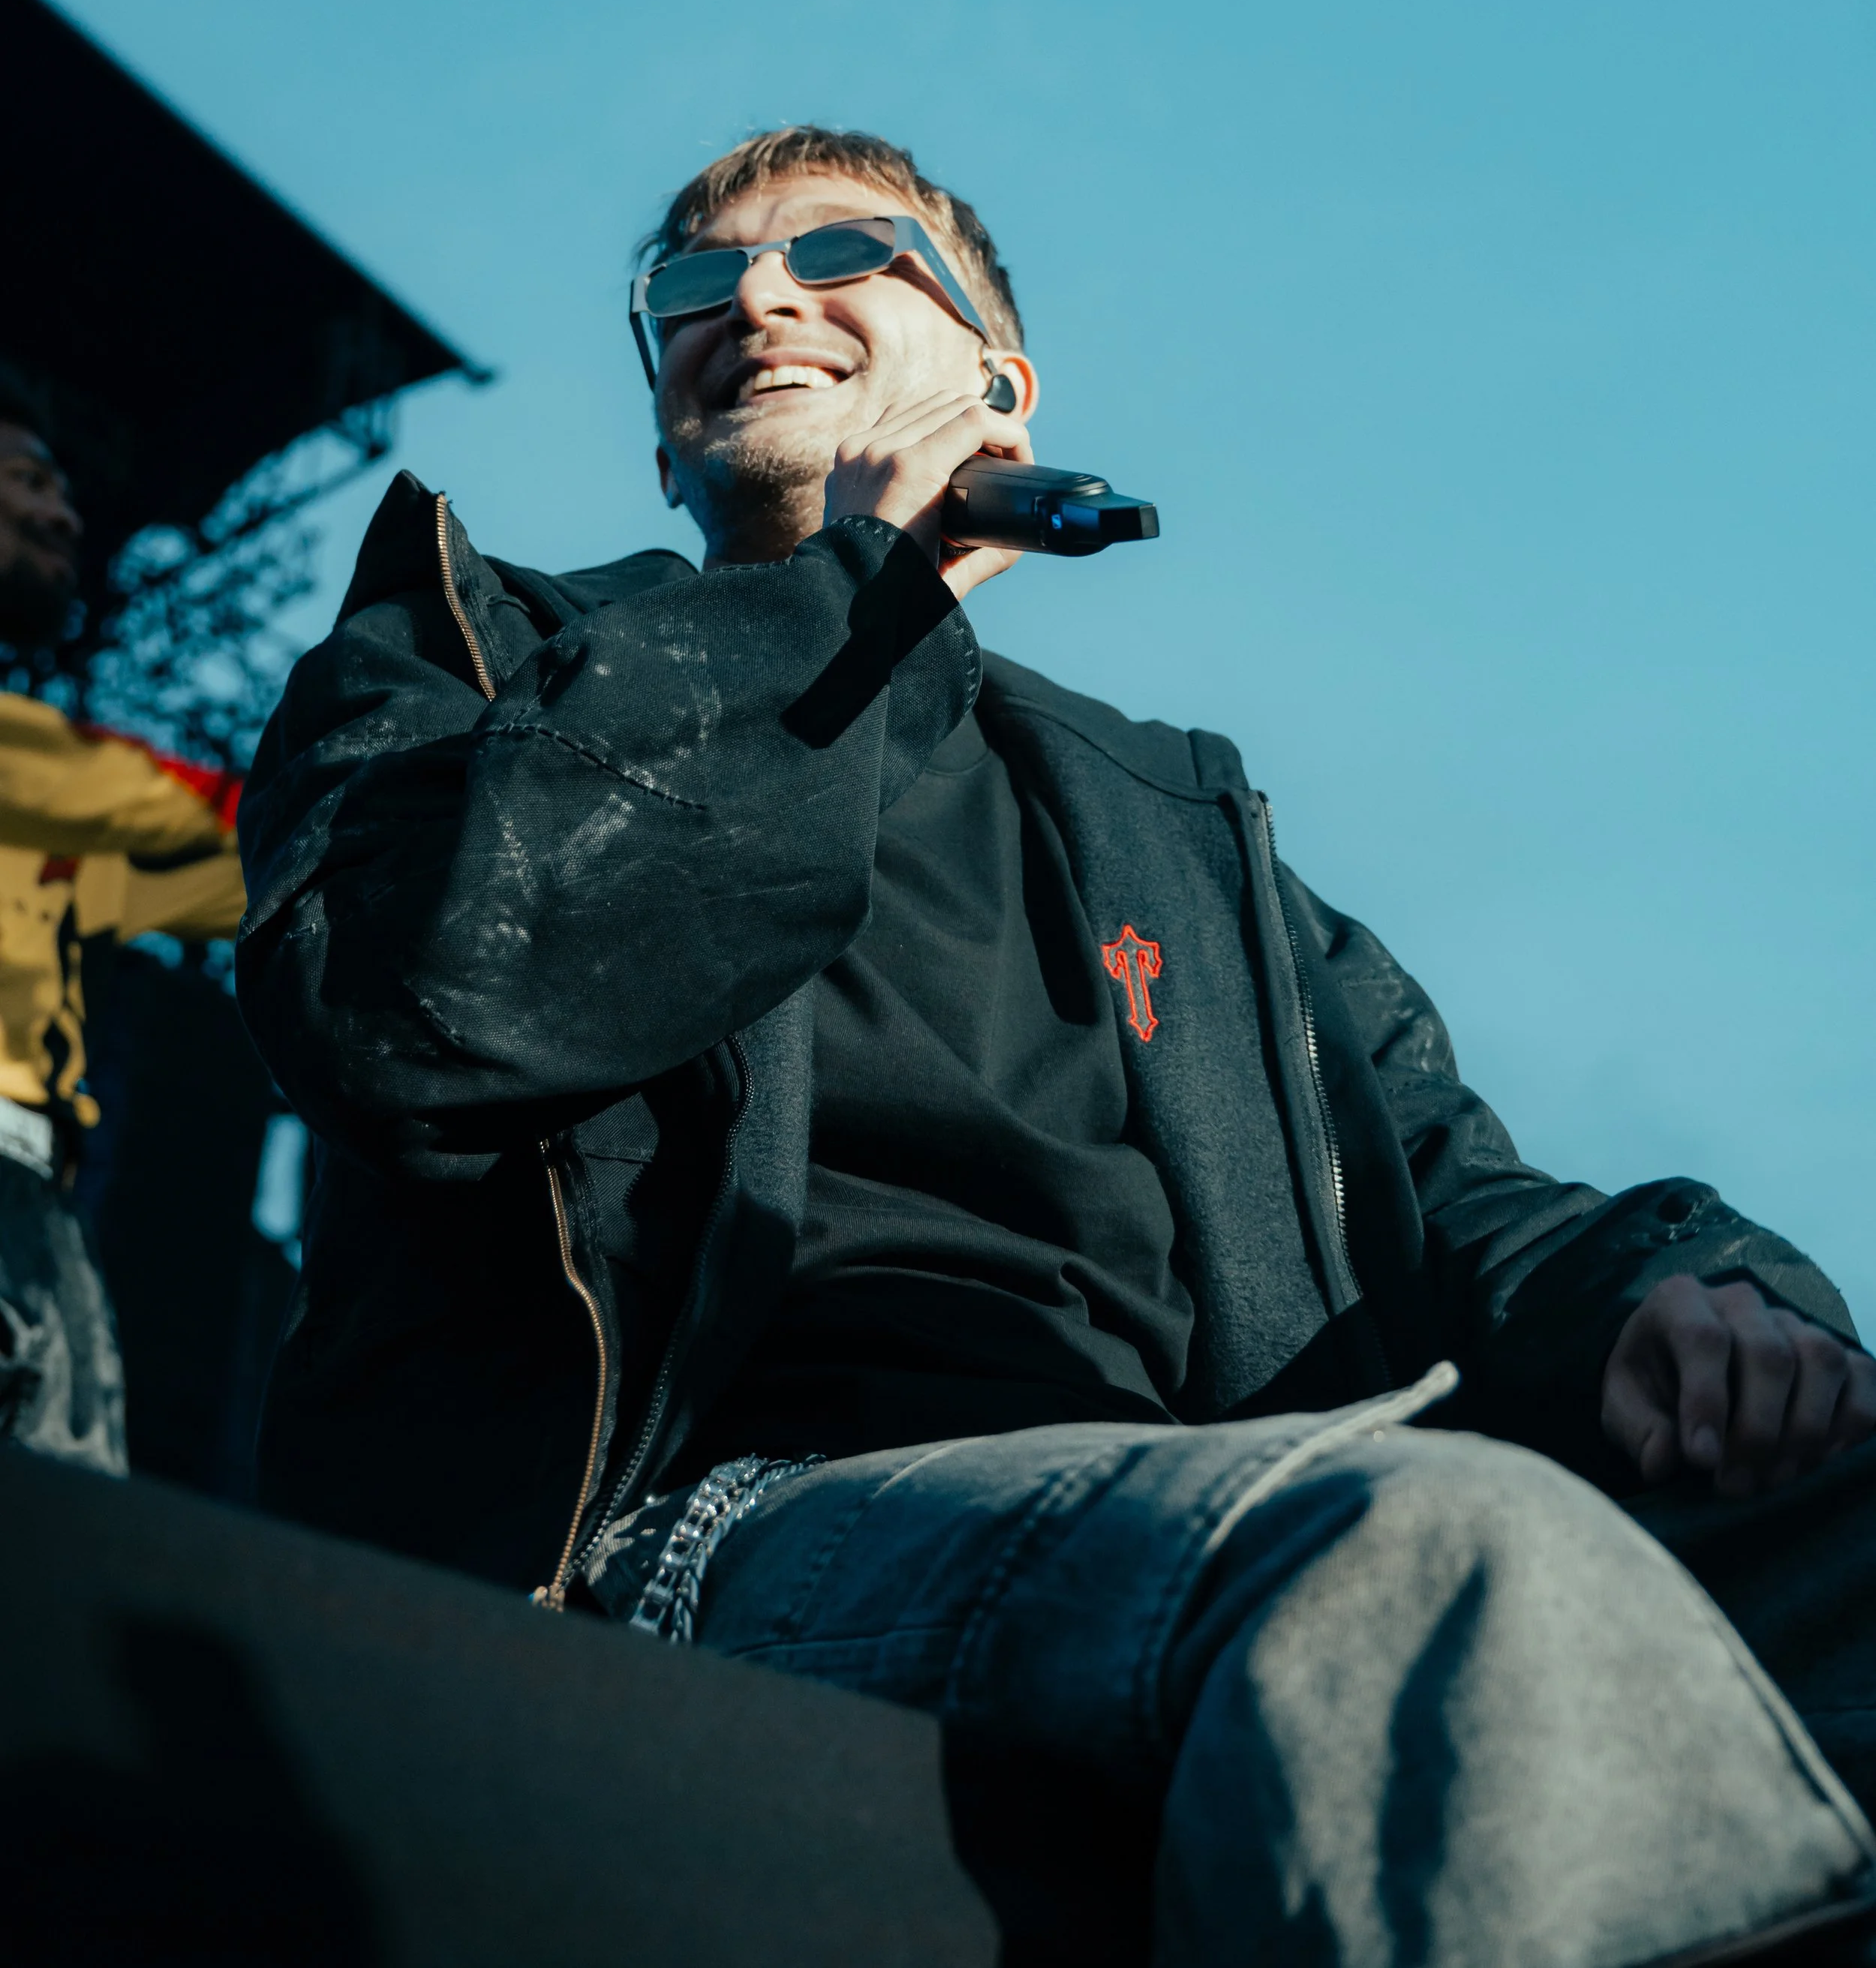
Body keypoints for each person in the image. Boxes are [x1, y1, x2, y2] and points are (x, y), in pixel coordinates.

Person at [238, 131, 1876, 1968]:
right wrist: (864, 587)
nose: (755, 301)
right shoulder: (474, 652)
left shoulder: (1169, 821)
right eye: (689, 296)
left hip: (1213, 1490)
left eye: (840, 254)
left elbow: (1449, 1183)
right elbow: (421, 1004)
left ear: (998, 387)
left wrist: (1689, 1290)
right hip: (736, 1530)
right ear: (662, 440)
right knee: (1416, 1550)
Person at [0, 393, 246, 1471]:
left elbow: (252, 863)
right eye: (30, 481)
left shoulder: (48, 791)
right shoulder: (39, 770)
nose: (66, 515)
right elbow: (266, 822)